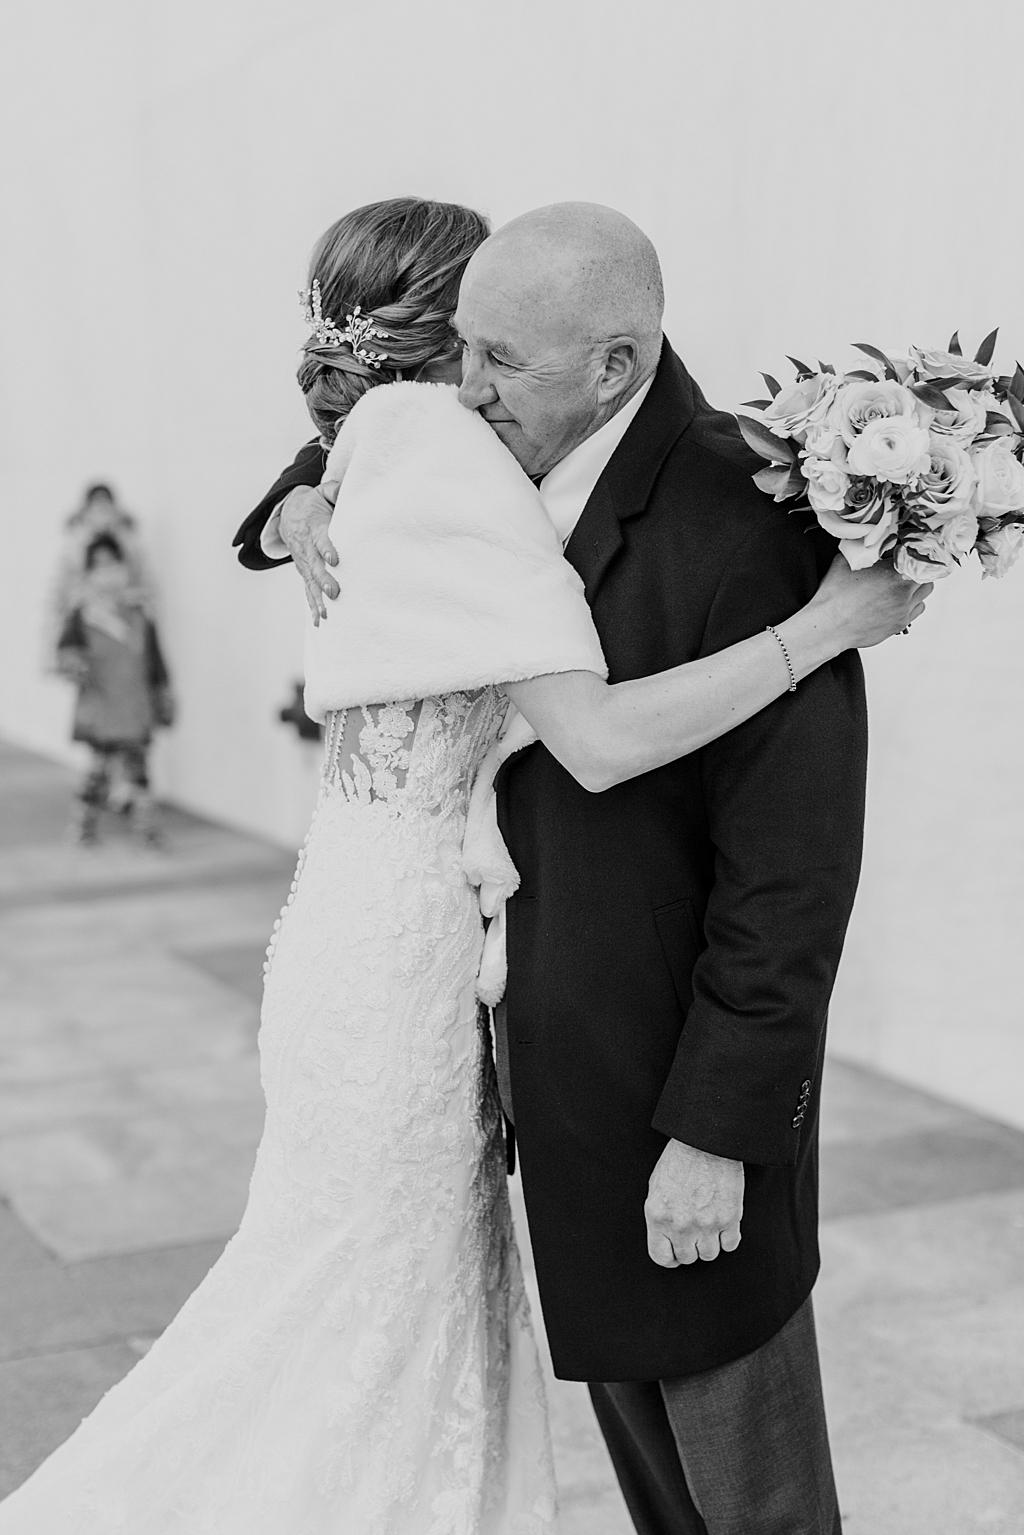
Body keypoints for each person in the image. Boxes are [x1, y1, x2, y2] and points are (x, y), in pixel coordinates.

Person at [0, 198, 926, 1535]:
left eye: (505, 360)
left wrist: (721, 1125)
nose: (479, 387)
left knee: (731, 1482)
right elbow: (584, 731)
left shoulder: (739, 516)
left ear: (611, 363)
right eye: (467, 352)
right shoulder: (447, 446)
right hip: (462, 1015)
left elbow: (791, 875)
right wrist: (301, 496)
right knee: (414, 1345)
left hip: (606, 1052)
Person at [55, 532, 174, 846]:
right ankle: (82, 829)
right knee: (97, 772)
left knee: (139, 773)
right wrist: (74, 665)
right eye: (99, 565)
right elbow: (65, 652)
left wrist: (164, 694)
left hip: (135, 706)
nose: (108, 572)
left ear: (125, 566)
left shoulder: (139, 613)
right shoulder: (82, 615)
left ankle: (148, 833)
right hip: (101, 707)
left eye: (113, 563)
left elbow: (156, 662)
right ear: (89, 572)